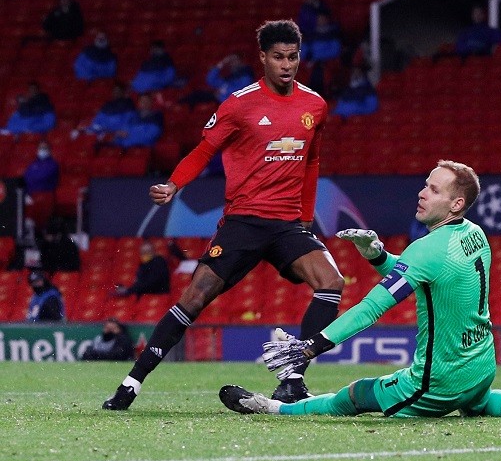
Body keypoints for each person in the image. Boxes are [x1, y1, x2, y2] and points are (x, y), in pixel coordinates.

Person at [219, 160, 501, 420]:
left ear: (456, 202)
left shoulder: (426, 250)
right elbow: (427, 273)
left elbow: (371, 308)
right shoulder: (475, 234)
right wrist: (378, 255)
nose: (421, 193)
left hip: (438, 381)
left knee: (357, 394)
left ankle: (272, 408)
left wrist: (309, 347)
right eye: (424, 185)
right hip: (482, 368)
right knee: (478, 402)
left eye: (433, 189)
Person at [102, 20, 344, 411]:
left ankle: (294, 380)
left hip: (286, 225)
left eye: (293, 57)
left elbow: (311, 162)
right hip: (244, 222)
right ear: (262, 58)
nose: (287, 65)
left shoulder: (314, 105)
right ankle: (131, 382)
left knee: (331, 281)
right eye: (278, 57)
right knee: (193, 299)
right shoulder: (239, 104)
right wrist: (174, 186)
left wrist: (303, 216)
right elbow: (202, 151)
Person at [23, 141, 59, 230]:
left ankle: (38, 228)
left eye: (44, 148)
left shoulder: (53, 164)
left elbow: (43, 177)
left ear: (49, 150)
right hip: (30, 193)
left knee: (38, 205)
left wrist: (34, 178)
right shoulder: (33, 164)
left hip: (45, 194)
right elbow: (26, 176)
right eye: (40, 148)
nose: (42, 150)